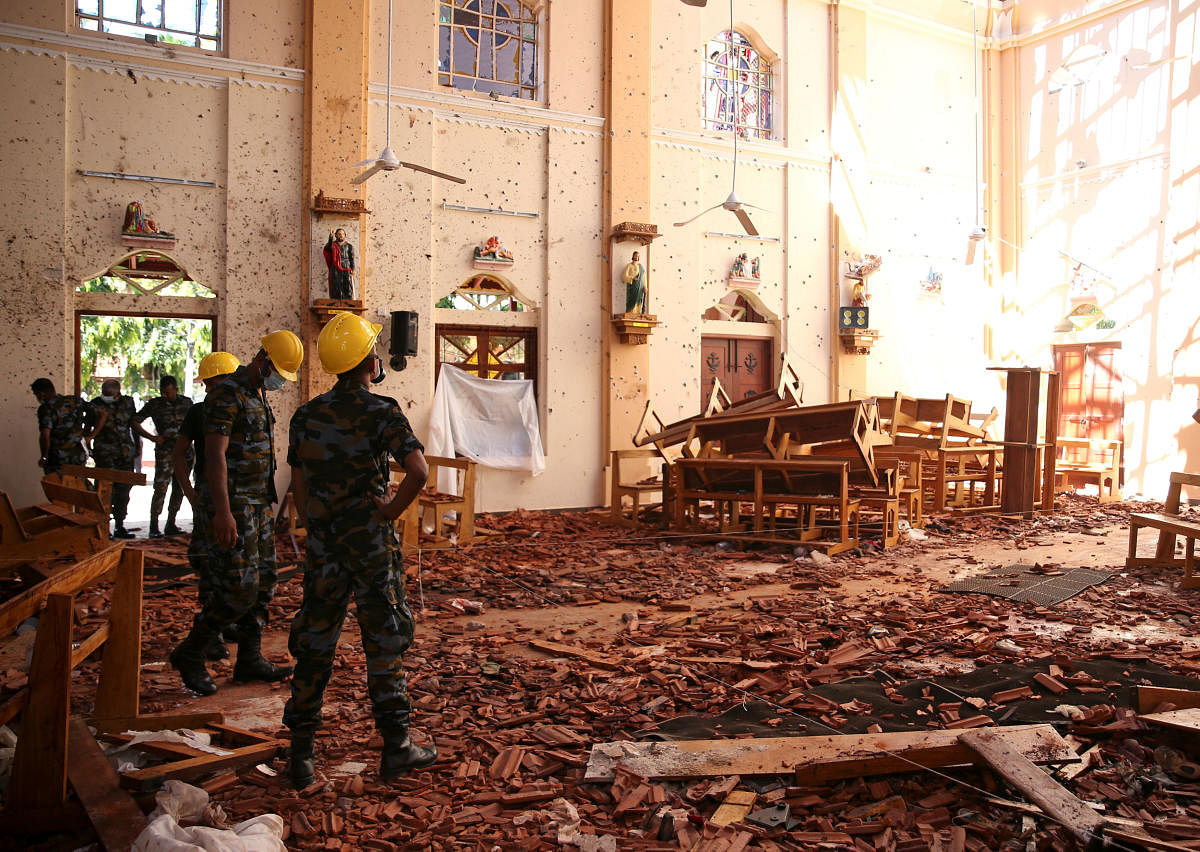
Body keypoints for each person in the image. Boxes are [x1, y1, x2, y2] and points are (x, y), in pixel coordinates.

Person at [283, 312, 436, 787]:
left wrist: (313, 522)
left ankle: (302, 756)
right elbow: (419, 470)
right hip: (370, 545)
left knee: (315, 644)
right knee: (384, 642)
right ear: (371, 362)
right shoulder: (382, 411)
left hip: (326, 547)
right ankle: (397, 748)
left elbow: (299, 482)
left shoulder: (306, 415)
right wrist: (390, 512)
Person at [169, 331, 304, 696]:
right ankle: (192, 651)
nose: (278, 381)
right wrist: (222, 512)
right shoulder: (226, 396)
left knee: (263, 583)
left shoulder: (256, 394)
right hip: (233, 507)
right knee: (238, 589)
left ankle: (249, 658)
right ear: (262, 360)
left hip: (257, 504)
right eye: (276, 371)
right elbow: (214, 455)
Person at [173, 352, 240, 661]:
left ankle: (226, 624)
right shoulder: (199, 412)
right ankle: (209, 636)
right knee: (211, 565)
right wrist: (190, 493)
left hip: (237, 499)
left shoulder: (243, 406)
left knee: (234, 566)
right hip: (211, 500)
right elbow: (179, 454)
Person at [91, 379, 156, 539]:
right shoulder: (95, 404)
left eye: (109, 395)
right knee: (105, 490)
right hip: (105, 453)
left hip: (125, 453)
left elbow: (133, 424)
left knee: (124, 490)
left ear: (117, 393)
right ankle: (103, 527)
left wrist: (138, 448)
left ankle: (119, 525)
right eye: (104, 394)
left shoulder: (127, 402)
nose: (106, 397)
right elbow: (89, 425)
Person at [137, 375, 193, 538]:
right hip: (165, 452)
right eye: (162, 392)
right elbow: (134, 421)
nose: (164, 395)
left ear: (176, 389)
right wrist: (152, 438)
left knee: (180, 488)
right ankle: (154, 526)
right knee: (160, 487)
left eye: (167, 392)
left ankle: (171, 523)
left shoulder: (187, 403)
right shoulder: (155, 404)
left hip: (185, 453)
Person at [31, 378, 96, 474]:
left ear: (41, 394)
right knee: (78, 485)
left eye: (36, 394)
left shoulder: (46, 409)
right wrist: (90, 435)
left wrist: (44, 456)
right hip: (78, 455)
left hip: (57, 459)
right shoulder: (75, 401)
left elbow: (45, 435)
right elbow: (101, 413)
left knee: (57, 487)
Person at [323, 228, 355, 300]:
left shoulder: (349, 246)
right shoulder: (333, 245)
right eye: (339, 234)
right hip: (335, 268)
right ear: (336, 235)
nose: (341, 235)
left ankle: (348, 301)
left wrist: (353, 269)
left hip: (346, 267)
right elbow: (328, 248)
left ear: (345, 235)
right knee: (336, 285)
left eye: (342, 234)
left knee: (347, 285)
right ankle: (336, 301)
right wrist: (330, 238)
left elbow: (351, 259)